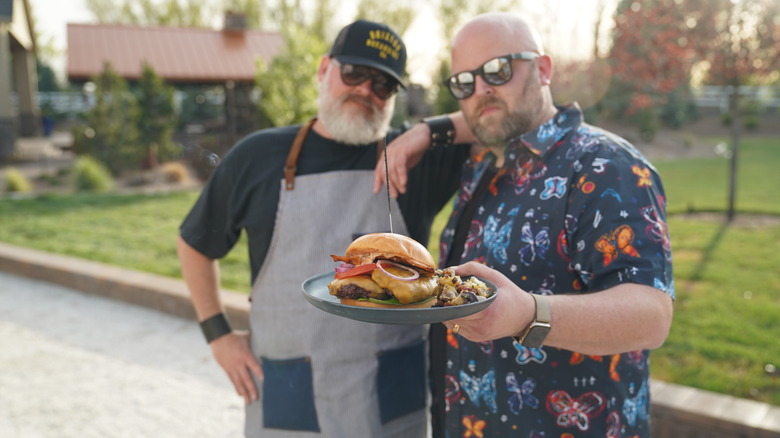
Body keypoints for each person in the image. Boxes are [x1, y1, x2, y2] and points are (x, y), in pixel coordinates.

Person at [376, 12, 674, 438]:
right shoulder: (486, 159)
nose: (481, 90)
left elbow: (651, 315)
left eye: (498, 70)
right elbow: (489, 112)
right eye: (463, 83)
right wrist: (428, 130)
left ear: (544, 69)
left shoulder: (607, 166)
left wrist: (529, 316)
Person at [177, 19, 472, 438]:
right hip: (289, 393)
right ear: (323, 70)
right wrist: (217, 334)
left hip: (388, 400)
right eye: (354, 72)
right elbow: (194, 244)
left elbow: (495, 118)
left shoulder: (412, 160)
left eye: (383, 84)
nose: (366, 90)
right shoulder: (257, 157)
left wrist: (427, 131)